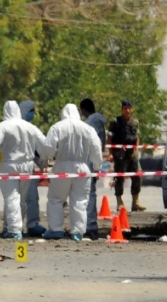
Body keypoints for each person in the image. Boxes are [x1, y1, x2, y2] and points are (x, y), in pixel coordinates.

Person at [0, 100, 46, 240]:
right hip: (27, 166)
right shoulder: (30, 127)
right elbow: (43, 143)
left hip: (9, 165)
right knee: (22, 199)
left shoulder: (2, 126)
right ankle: (14, 226)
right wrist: (45, 158)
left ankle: (14, 230)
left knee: (11, 197)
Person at [42, 104, 103, 241]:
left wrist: (49, 158)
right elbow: (96, 149)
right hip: (82, 167)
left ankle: (56, 229)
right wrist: (97, 166)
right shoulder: (88, 129)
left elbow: (49, 148)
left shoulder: (57, 127)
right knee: (80, 200)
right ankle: (77, 232)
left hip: (61, 167)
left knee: (56, 199)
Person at [107, 98, 145, 212]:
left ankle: (136, 202)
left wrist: (137, 150)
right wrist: (110, 153)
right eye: (125, 108)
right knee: (119, 178)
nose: (127, 110)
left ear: (132, 109)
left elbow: (137, 137)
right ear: (122, 109)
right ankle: (119, 202)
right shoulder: (115, 122)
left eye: (129, 108)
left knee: (137, 175)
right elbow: (109, 137)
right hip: (120, 153)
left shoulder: (135, 122)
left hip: (132, 153)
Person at [80, 98, 107, 238]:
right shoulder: (98, 122)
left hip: (88, 161)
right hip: (93, 161)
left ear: (84, 110)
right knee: (90, 193)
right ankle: (89, 224)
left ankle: (89, 225)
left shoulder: (90, 123)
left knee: (86, 194)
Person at [20, 100, 47, 237]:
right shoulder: (27, 128)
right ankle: (16, 226)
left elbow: (37, 150)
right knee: (17, 198)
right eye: (31, 111)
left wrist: (42, 163)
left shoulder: (31, 129)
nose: (32, 114)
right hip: (21, 166)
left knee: (30, 197)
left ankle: (30, 225)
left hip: (22, 166)